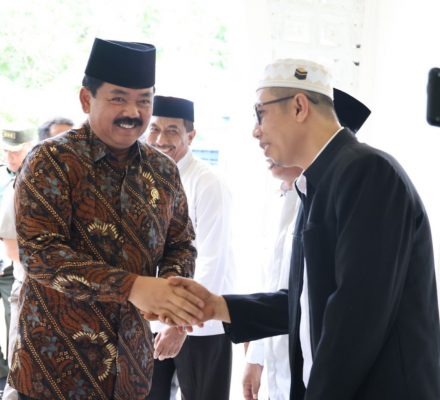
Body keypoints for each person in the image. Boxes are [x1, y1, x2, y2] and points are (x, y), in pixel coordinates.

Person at [169, 59, 440, 400]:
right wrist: (217, 305)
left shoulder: (368, 172)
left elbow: (357, 317)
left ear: (299, 106)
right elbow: (303, 302)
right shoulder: (317, 183)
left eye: (260, 113)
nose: (255, 131)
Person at [8, 38, 204, 400]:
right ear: (87, 99)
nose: (133, 111)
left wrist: (172, 292)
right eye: (118, 98)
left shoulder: (163, 170)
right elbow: (41, 254)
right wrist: (134, 287)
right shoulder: (51, 160)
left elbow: (180, 243)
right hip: (55, 374)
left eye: (143, 100)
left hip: (132, 370)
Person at [242, 88, 369, 400]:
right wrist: (255, 358)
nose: (260, 137)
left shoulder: (361, 185)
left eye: (264, 117)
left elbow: (349, 311)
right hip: (281, 363)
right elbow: (277, 290)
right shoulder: (282, 198)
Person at [145, 96, 234, 400]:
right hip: (154, 318)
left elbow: (213, 259)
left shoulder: (207, 183)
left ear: (190, 136)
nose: (160, 139)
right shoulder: (144, 178)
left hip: (201, 323)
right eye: (154, 129)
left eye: (172, 131)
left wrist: (181, 325)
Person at [242, 163, 300, 400]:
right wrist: (255, 359)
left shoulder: (321, 200)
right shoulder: (275, 201)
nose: (262, 146)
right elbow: (268, 285)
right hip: (275, 365)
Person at [0, 127, 37, 400]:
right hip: (17, 267)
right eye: (6, 152)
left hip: (18, 273)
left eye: (16, 152)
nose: (10, 157)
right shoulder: (6, 178)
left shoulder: (36, 177)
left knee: (18, 335)